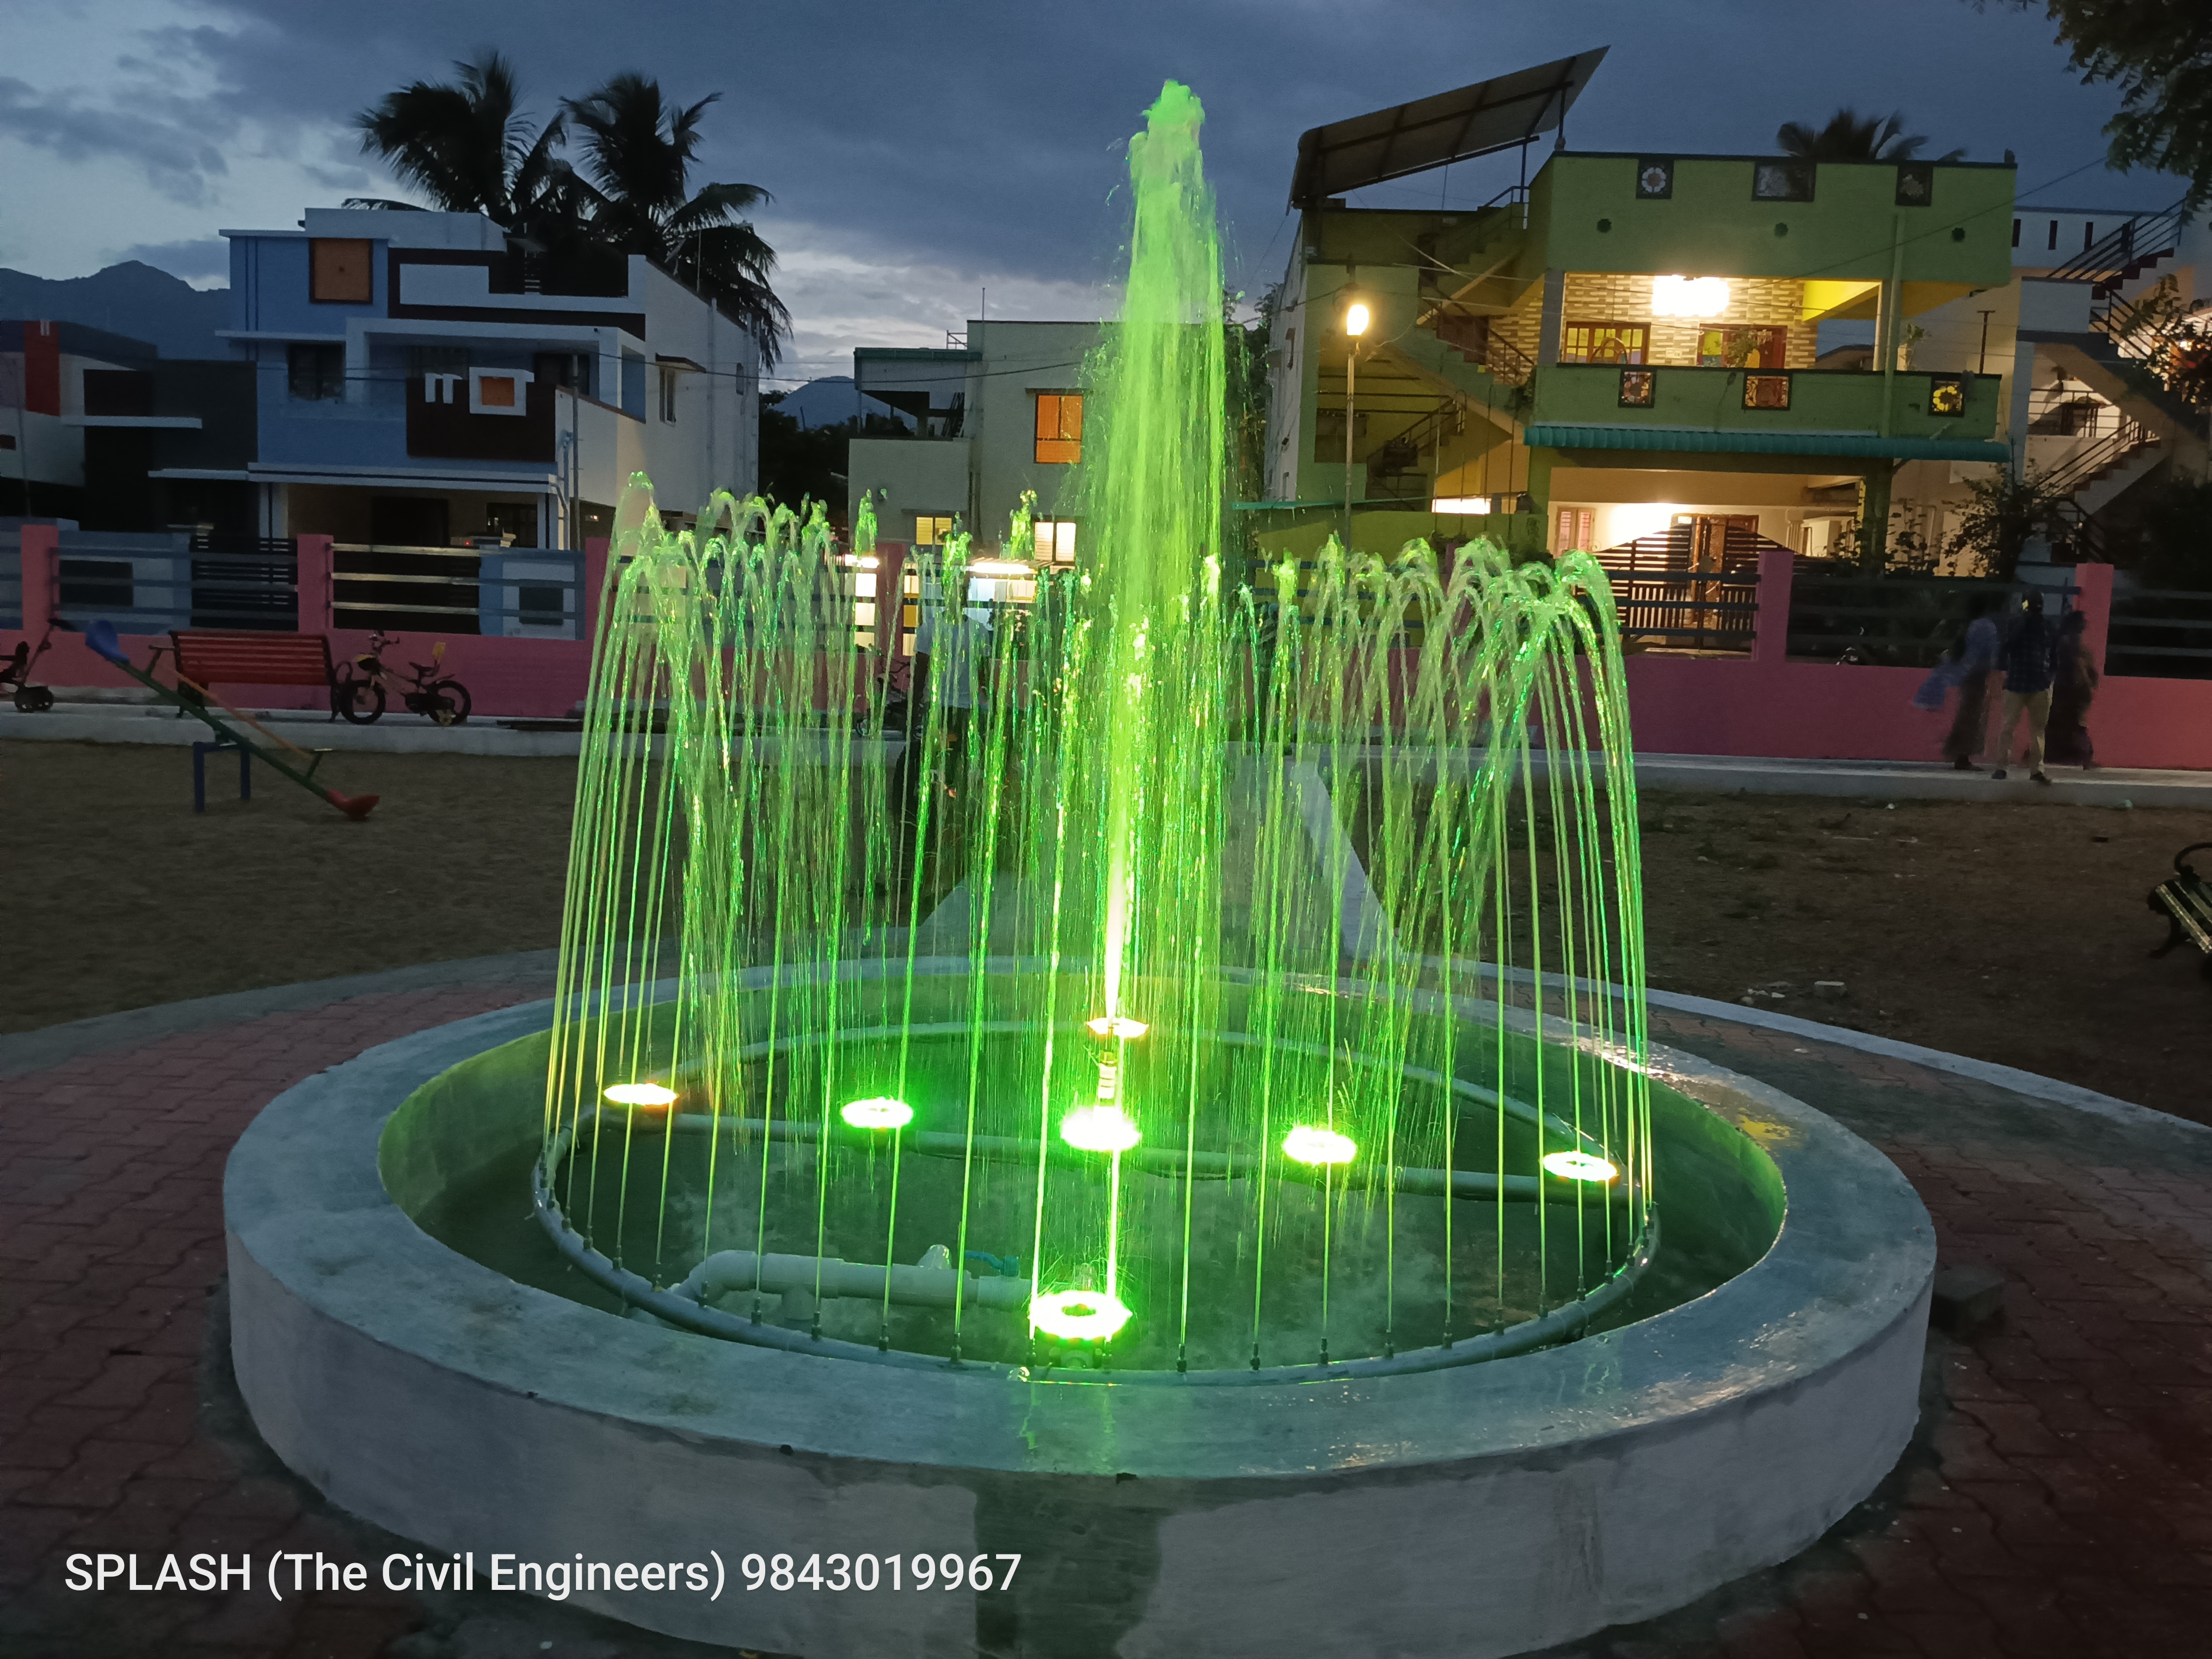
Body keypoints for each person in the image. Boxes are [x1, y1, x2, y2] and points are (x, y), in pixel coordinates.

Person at [1990, 591, 2057, 784]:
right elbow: (2008, 646)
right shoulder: (2041, 625)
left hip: (2026, 683)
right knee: (2027, 729)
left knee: (2016, 728)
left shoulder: (2027, 625)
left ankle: (2016, 769)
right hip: (2031, 683)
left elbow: (2006, 647)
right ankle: (2026, 770)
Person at [1931, 596, 2001, 771]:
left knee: (1966, 715)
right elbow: (1989, 653)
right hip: (1977, 677)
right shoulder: (1983, 627)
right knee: (1971, 717)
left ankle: (1957, 753)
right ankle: (1962, 757)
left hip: (1967, 677)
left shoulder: (1967, 626)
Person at [2044, 609, 2100, 768]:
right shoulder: (2070, 642)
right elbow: (2077, 665)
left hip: (2065, 691)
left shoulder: (2064, 641)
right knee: (2075, 726)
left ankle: (2077, 757)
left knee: (2065, 724)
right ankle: (2084, 758)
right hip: (2071, 691)